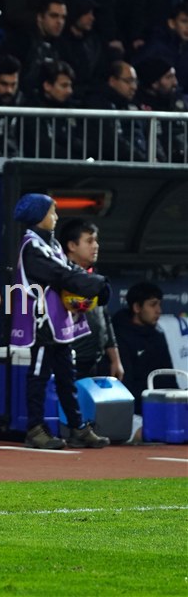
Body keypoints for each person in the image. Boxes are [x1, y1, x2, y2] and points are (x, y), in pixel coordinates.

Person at [10, 193, 111, 450]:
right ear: (38, 216)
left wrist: (95, 283)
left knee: (67, 377)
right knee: (39, 376)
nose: (55, 217)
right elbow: (60, 274)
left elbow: (70, 269)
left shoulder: (52, 244)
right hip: (42, 323)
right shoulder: (31, 246)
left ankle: (77, 427)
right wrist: (95, 283)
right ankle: (34, 429)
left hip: (59, 323)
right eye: (51, 212)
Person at [59, 218, 124, 380]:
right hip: (68, 363)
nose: (96, 246)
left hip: (96, 363)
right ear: (72, 245)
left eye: (96, 241)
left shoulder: (94, 278)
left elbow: (105, 319)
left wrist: (115, 360)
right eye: (89, 241)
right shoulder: (59, 277)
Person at [112, 282, 177, 415]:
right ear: (137, 307)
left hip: (163, 407)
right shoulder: (118, 338)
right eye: (153, 305)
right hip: (133, 411)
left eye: (159, 304)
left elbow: (169, 378)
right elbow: (125, 387)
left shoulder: (158, 336)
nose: (159, 310)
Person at [0, 0, 67, 98]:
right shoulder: (20, 41)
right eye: (54, 16)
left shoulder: (62, 45)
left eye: (63, 17)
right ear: (40, 17)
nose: (60, 22)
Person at [82, 60, 148, 161]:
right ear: (112, 81)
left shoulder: (134, 104)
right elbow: (111, 141)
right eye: (128, 81)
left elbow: (148, 134)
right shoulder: (99, 105)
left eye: (135, 82)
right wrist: (143, 159)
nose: (134, 87)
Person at [23, 60, 85, 159]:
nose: (70, 91)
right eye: (64, 85)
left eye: (70, 86)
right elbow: (43, 148)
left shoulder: (73, 109)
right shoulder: (32, 111)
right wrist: (75, 159)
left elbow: (86, 146)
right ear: (47, 86)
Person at [135, 57, 187, 163]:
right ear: (154, 83)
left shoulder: (179, 103)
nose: (175, 82)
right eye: (169, 77)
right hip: (155, 165)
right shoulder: (138, 107)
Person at [57, 0, 110, 100]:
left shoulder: (94, 42)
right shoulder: (60, 42)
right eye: (87, 13)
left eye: (92, 13)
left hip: (94, 94)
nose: (92, 18)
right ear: (76, 13)